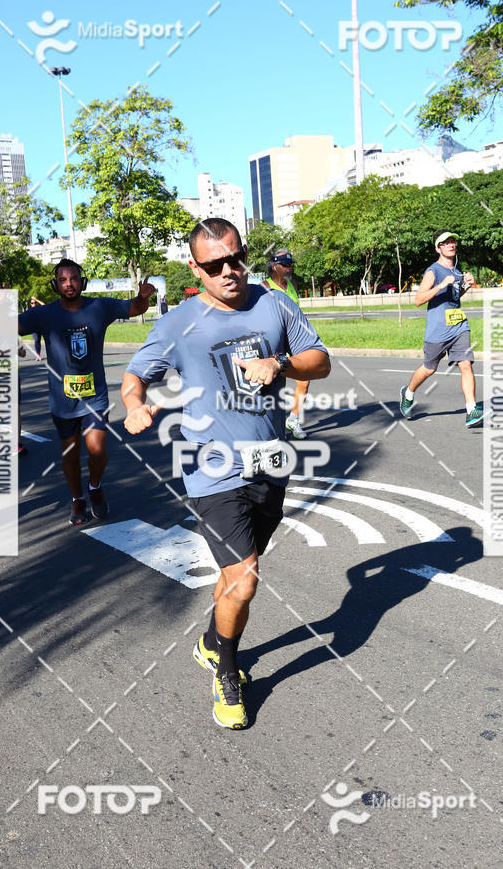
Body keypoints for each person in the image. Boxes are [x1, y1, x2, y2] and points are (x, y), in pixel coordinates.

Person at [121, 218, 330, 730]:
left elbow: (320, 361)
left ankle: (212, 640)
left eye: (235, 259)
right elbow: (135, 375)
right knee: (246, 578)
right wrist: (134, 406)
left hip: (271, 460)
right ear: (196, 268)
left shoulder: (274, 302)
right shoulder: (178, 323)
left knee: (235, 575)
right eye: (215, 265)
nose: (229, 271)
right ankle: (227, 670)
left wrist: (280, 364)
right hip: (210, 467)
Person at [18, 258, 155, 525]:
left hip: (95, 396)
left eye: (73, 279)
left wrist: (143, 297)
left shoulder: (99, 306)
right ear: (55, 284)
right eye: (63, 280)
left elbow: (135, 308)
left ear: (82, 281)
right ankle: (77, 498)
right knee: (70, 454)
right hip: (62, 401)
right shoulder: (44, 314)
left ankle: (94, 486)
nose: (69, 284)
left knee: (96, 450)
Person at [399, 231, 484, 428]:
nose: (450, 245)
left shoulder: (457, 269)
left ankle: (471, 410)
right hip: (438, 330)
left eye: (453, 241)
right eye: (445, 243)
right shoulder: (433, 271)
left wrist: (467, 286)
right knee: (430, 368)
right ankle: (408, 393)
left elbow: (454, 297)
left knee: (466, 364)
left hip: (458, 326)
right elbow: (418, 300)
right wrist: (440, 285)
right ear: (438, 248)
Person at [262, 249, 310, 439]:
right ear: (274, 266)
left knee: (304, 378)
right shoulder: (265, 286)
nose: (289, 268)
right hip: (275, 340)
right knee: (272, 384)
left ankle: (294, 419)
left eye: (290, 265)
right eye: (285, 265)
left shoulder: (292, 284)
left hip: (294, 339)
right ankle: (270, 427)